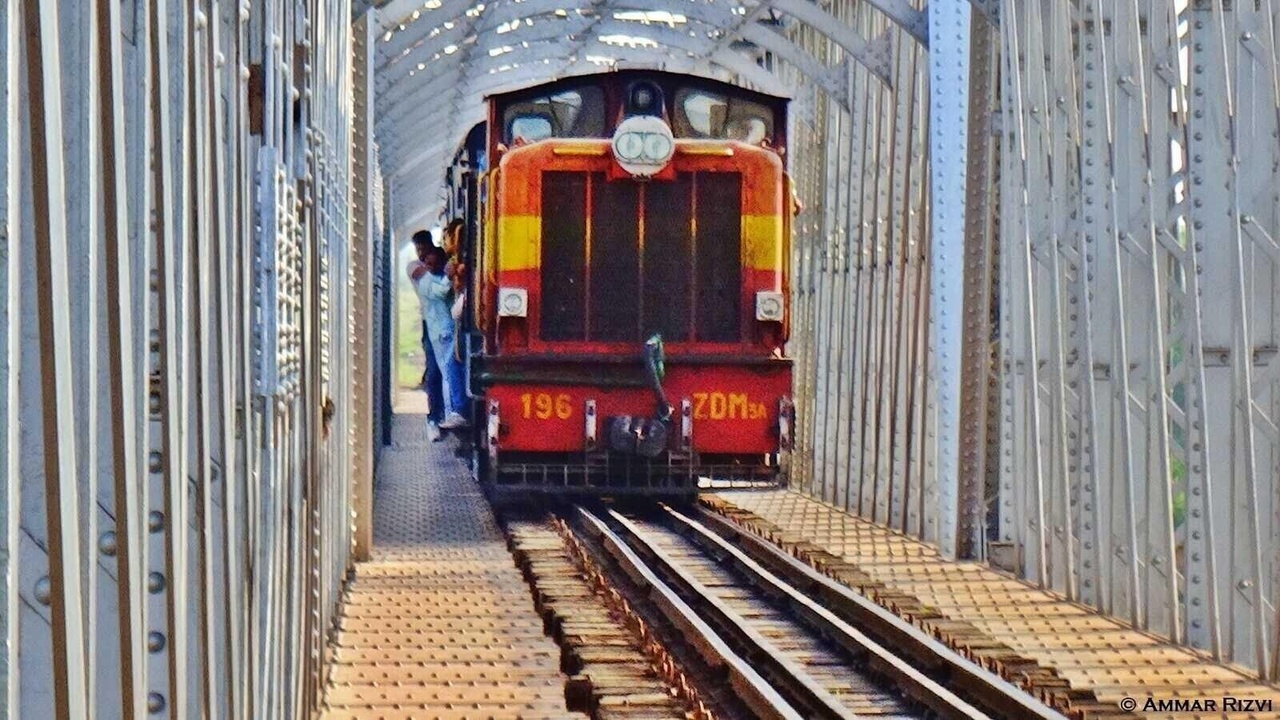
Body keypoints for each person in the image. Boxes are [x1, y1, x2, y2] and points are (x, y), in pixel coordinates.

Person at [415, 244, 469, 434]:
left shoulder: (431, 279)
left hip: (443, 332)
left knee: (450, 371)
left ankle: (453, 411)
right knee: (448, 372)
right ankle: (452, 412)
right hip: (442, 332)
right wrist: (449, 276)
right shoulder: (426, 281)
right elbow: (441, 292)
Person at [408, 231, 448, 440]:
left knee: (445, 371)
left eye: (424, 248)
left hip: (447, 324)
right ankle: (434, 419)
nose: (422, 254)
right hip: (430, 324)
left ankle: (442, 415)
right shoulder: (415, 268)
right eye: (418, 250)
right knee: (434, 371)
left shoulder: (437, 263)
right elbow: (434, 286)